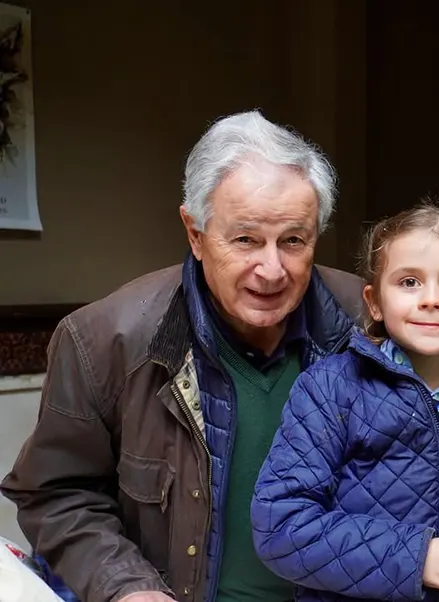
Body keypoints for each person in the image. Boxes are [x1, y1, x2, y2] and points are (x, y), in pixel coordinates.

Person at [1, 111, 366, 602]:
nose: (272, 269)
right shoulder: (103, 340)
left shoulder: (371, 324)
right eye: (246, 240)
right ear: (195, 234)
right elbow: (56, 495)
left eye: (294, 241)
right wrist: (127, 589)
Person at [250, 202, 439, 602]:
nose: (431, 299)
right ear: (374, 303)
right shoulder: (331, 390)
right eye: (409, 282)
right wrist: (417, 557)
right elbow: (281, 526)